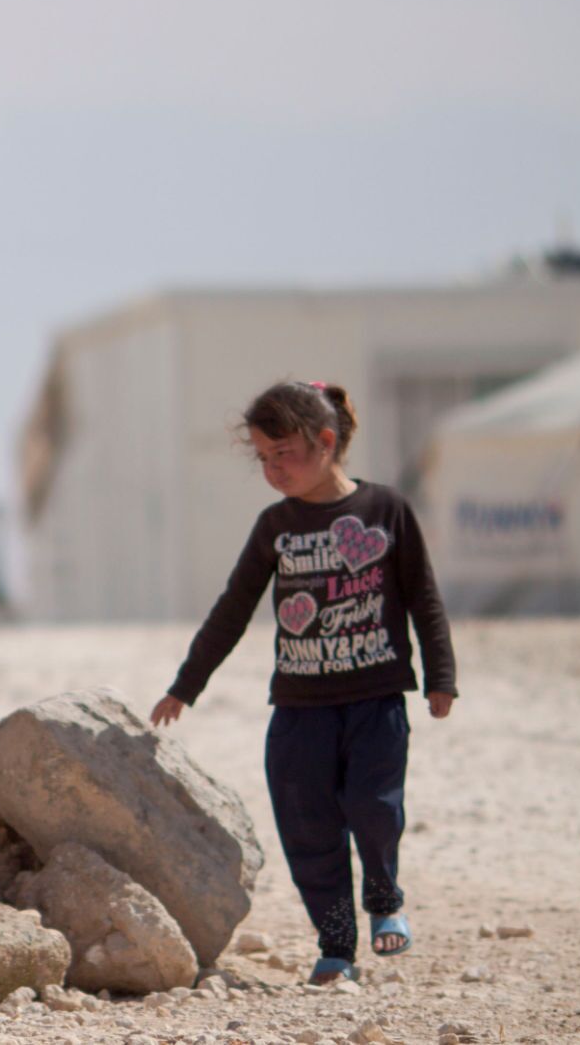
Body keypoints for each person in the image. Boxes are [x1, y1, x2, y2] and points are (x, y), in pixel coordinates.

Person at [151, 380, 456, 986]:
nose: (273, 469)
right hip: (299, 709)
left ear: (325, 441)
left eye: (283, 454)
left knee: (373, 808)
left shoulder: (386, 510)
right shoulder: (276, 526)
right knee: (307, 827)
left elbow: (423, 596)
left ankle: (384, 898)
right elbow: (233, 609)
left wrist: (440, 675)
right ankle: (336, 946)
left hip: (375, 701)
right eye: (263, 458)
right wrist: (187, 685)